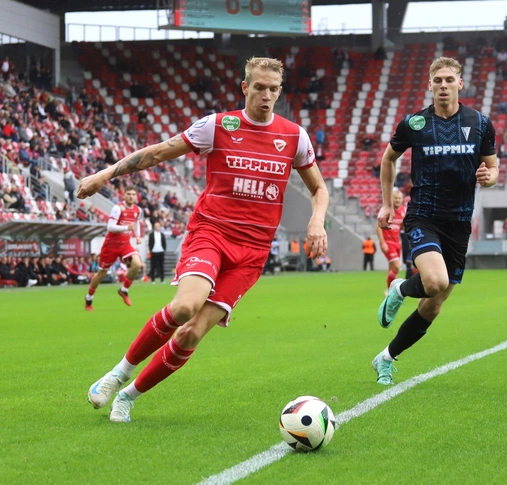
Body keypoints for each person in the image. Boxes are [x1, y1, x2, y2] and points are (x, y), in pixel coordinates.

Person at [77, 57, 328, 423]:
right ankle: (118, 373)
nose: (266, 95)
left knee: (191, 334)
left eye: (274, 89)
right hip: (212, 233)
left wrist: (317, 221)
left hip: (252, 253)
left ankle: (128, 397)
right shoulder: (217, 126)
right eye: (259, 87)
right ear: (245, 87)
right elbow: (158, 151)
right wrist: (105, 174)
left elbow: (319, 188)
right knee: (184, 307)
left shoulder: (294, 136)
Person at [372, 56, 498, 385]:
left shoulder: (480, 123)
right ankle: (400, 289)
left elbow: (493, 167)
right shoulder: (414, 124)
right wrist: (386, 204)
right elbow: (388, 159)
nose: (443, 85)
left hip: (459, 223)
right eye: (437, 80)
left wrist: (490, 177)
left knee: (433, 305)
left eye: (449, 79)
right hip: (423, 216)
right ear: (429, 85)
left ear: (460, 83)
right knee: (435, 282)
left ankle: (386, 358)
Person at [84, 186, 143, 311]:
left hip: (125, 244)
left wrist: (138, 236)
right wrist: (126, 228)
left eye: (133, 194)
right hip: (111, 245)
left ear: (136, 196)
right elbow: (110, 227)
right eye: (128, 194)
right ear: (124, 195)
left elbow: (136, 222)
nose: (131, 196)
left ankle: (124, 290)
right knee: (101, 274)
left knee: (137, 264)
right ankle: (89, 297)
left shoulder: (138, 210)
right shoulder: (118, 208)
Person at [375, 189, 406, 289]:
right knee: (397, 266)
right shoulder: (387, 210)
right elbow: (378, 227)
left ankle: (388, 289)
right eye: (395, 198)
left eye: (399, 198)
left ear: (402, 199)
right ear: (392, 199)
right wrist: (382, 242)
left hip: (397, 242)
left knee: (392, 268)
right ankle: (390, 290)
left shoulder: (404, 210)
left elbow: (402, 226)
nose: (397, 200)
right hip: (388, 242)